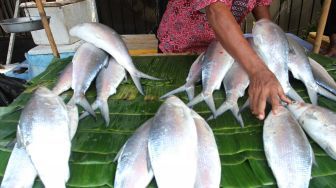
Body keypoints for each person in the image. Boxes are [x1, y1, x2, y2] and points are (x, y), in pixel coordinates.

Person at [157, 0, 291, 120]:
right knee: (180, 115)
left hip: (225, 51)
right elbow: (215, 10)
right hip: (182, 51)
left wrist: (273, 50)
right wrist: (259, 71)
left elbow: (260, 5)